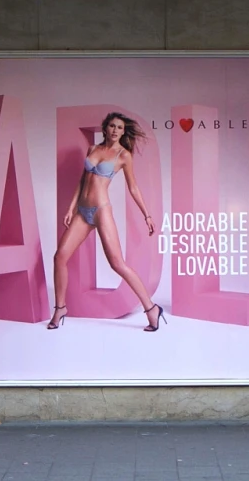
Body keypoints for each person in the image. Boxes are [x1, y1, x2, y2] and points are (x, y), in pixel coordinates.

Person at [49, 112, 166, 332]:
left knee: (117, 264)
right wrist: (71, 207)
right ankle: (60, 307)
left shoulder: (123, 155)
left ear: (123, 131)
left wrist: (147, 215)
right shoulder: (93, 149)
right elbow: (83, 180)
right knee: (59, 256)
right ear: (105, 128)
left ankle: (151, 309)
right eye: (112, 126)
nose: (115, 130)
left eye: (120, 128)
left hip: (101, 210)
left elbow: (133, 187)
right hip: (82, 212)